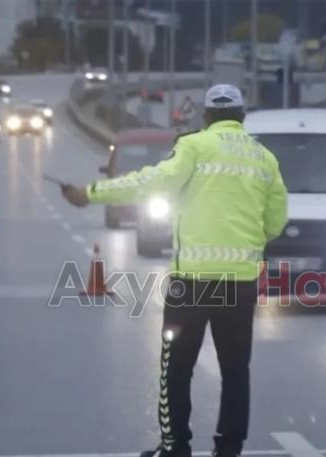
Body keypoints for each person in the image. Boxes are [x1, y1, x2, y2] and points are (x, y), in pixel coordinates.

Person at [61, 84, 288, 457]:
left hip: (193, 284)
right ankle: (229, 450)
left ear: (207, 116)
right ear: (242, 116)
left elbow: (149, 182)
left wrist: (92, 193)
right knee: (235, 370)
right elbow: (276, 221)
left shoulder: (194, 147)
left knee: (176, 368)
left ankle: (175, 448)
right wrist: (245, 241)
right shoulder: (265, 159)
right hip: (240, 284)